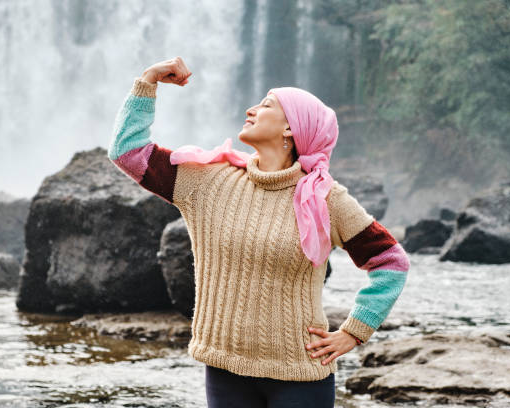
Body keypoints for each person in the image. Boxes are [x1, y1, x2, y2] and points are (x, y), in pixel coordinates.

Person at [108, 56, 410, 408]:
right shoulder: (208, 179)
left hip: (300, 376)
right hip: (224, 370)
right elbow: (127, 152)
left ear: (290, 129)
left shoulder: (325, 197)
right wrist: (148, 82)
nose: (251, 109)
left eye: (266, 105)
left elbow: (391, 261)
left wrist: (353, 331)